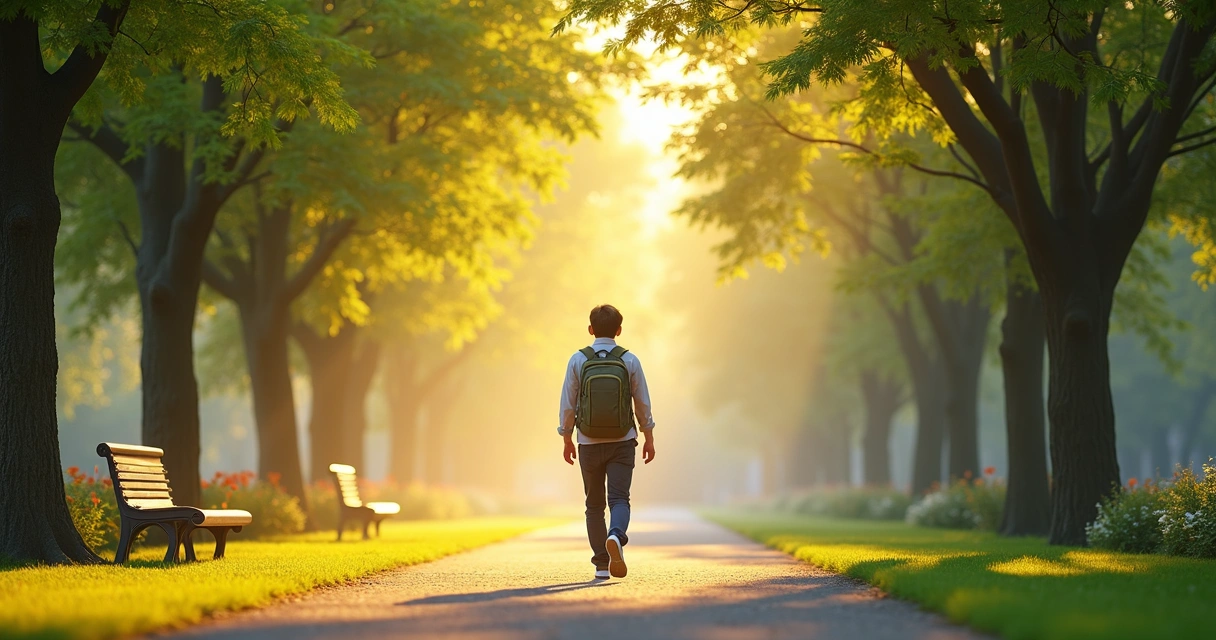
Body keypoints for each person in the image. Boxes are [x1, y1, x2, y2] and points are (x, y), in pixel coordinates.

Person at [558, 304, 655, 580]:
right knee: (619, 499)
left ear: (590, 329)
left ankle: (602, 564)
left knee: (594, 505)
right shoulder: (630, 360)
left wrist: (566, 437)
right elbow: (642, 403)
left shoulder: (578, 360)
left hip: (588, 442)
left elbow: (568, 404)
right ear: (619, 331)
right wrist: (648, 437)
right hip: (622, 440)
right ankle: (616, 535)